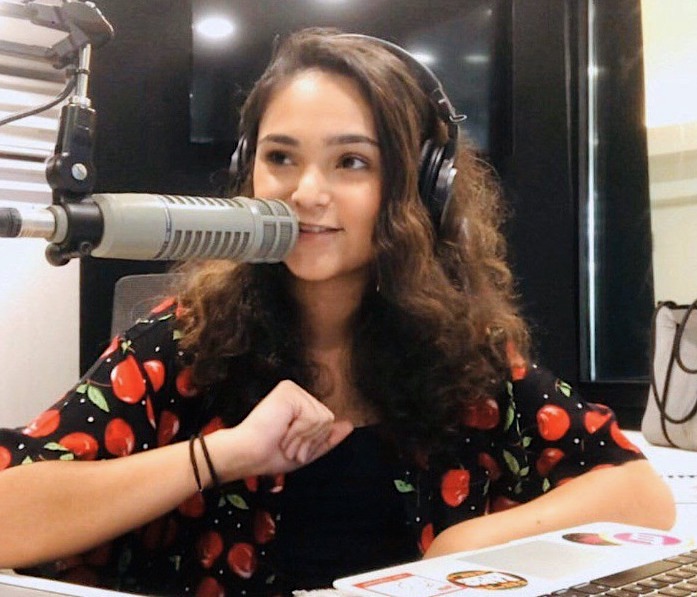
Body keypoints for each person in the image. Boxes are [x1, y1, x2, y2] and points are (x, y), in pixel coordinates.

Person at [0, 28, 675, 597]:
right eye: (280, 157)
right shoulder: (182, 341)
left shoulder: (466, 357)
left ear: (418, 186)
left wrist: (462, 547)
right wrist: (220, 455)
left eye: (351, 161)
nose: (306, 192)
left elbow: (638, 494)